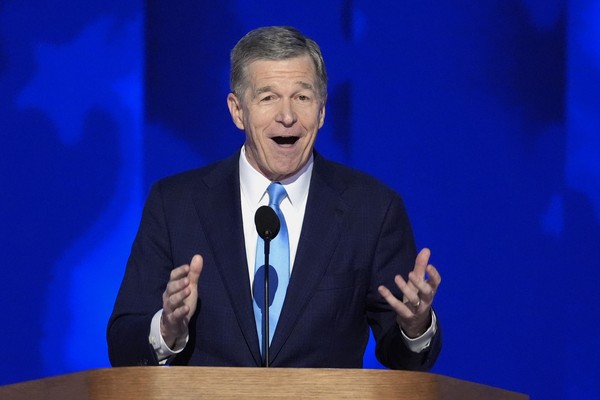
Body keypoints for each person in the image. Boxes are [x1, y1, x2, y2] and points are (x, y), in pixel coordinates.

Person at [107, 26, 442, 370]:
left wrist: (415, 327)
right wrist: (167, 329)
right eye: (268, 98)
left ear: (322, 110)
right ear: (237, 111)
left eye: (302, 97)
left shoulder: (372, 209)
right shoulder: (175, 205)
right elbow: (122, 344)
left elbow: (404, 360)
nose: (287, 116)